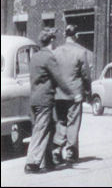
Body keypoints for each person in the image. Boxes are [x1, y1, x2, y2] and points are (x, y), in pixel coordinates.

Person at [24, 29, 78, 175]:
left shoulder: (34, 57)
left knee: (49, 128)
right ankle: (32, 163)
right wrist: (72, 94)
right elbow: (59, 78)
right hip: (44, 99)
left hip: (34, 98)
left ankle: (48, 161)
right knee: (41, 130)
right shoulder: (49, 57)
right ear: (52, 41)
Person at [52, 24, 92, 164]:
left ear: (65, 35)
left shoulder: (56, 52)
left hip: (59, 93)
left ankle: (56, 149)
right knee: (73, 122)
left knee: (61, 121)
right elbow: (86, 75)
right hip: (75, 93)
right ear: (77, 36)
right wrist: (88, 91)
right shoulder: (81, 52)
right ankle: (70, 152)